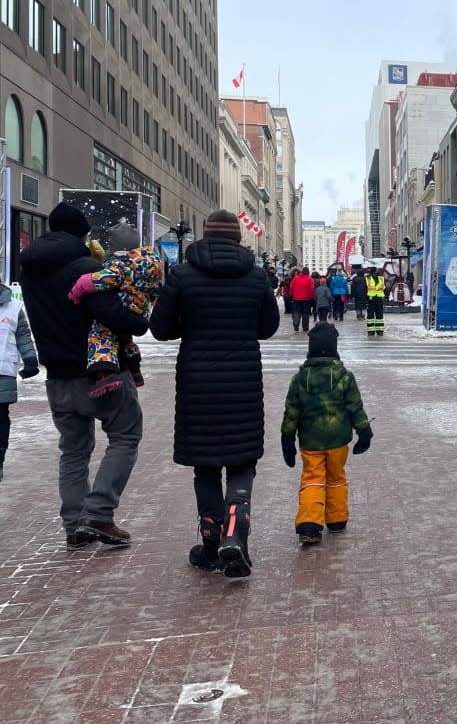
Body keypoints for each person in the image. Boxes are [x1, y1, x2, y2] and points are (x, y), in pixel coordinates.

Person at [149, 209, 280, 577]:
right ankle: (235, 535)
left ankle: (210, 543)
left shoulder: (182, 275)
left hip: (196, 383)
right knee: (241, 461)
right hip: (242, 382)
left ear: (205, 237)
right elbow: (268, 328)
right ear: (239, 239)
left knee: (205, 465)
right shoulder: (256, 277)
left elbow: (159, 330)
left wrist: (189, 324)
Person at [19, 203, 149, 549]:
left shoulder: (30, 269)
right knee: (124, 436)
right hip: (100, 371)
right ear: (82, 234)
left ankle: (75, 524)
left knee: (73, 452)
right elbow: (112, 313)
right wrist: (140, 321)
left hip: (57, 376)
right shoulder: (87, 268)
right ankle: (99, 514)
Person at [280, 322, 373, 545]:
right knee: (336, 477)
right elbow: (355, 407)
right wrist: (364, 431)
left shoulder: (300, 378)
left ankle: (310, 525)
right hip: (338, 440)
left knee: (312, 479)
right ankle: (337, 519)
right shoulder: (344, 376)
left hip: (310, 441)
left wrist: (287, 439)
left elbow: (292, 412)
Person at [66, 222, 164, 398]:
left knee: (101, 335)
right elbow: (156, 290)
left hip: (123, 304)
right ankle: (134, 369)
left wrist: (79, 288)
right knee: (124, 338)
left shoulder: (121, 264)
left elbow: (101, 279)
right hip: (138, 309)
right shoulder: (152, 263)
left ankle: (106, 373)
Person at [0, 280, 40, 483]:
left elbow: (23, 334)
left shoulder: (13, 307)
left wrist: (30, 360)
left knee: (0, 417)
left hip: (3, 370)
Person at [289, 266, 315, 333]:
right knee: (305, 313)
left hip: (296, 299)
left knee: (296, 312)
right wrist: (311, 297)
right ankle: (305, 327)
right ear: (308, 272)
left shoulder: (296, 278)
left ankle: (296, 324)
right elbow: (312, 290)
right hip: (306, 299)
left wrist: (291, 295)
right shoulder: (310, 279)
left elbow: (291, 287)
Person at [365, 266, 386, 337]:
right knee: (370, 316)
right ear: (372, 272)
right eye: (375, 272)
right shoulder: (368, 279)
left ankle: (380, 331)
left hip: (379, 299)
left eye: (378, 272)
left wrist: (386, 297)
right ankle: (371, 331)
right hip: (371, 300)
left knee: (380, 316)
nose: (377, 273)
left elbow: (385, 289)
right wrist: (366, 299)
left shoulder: (382, 279)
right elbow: (364, 289)